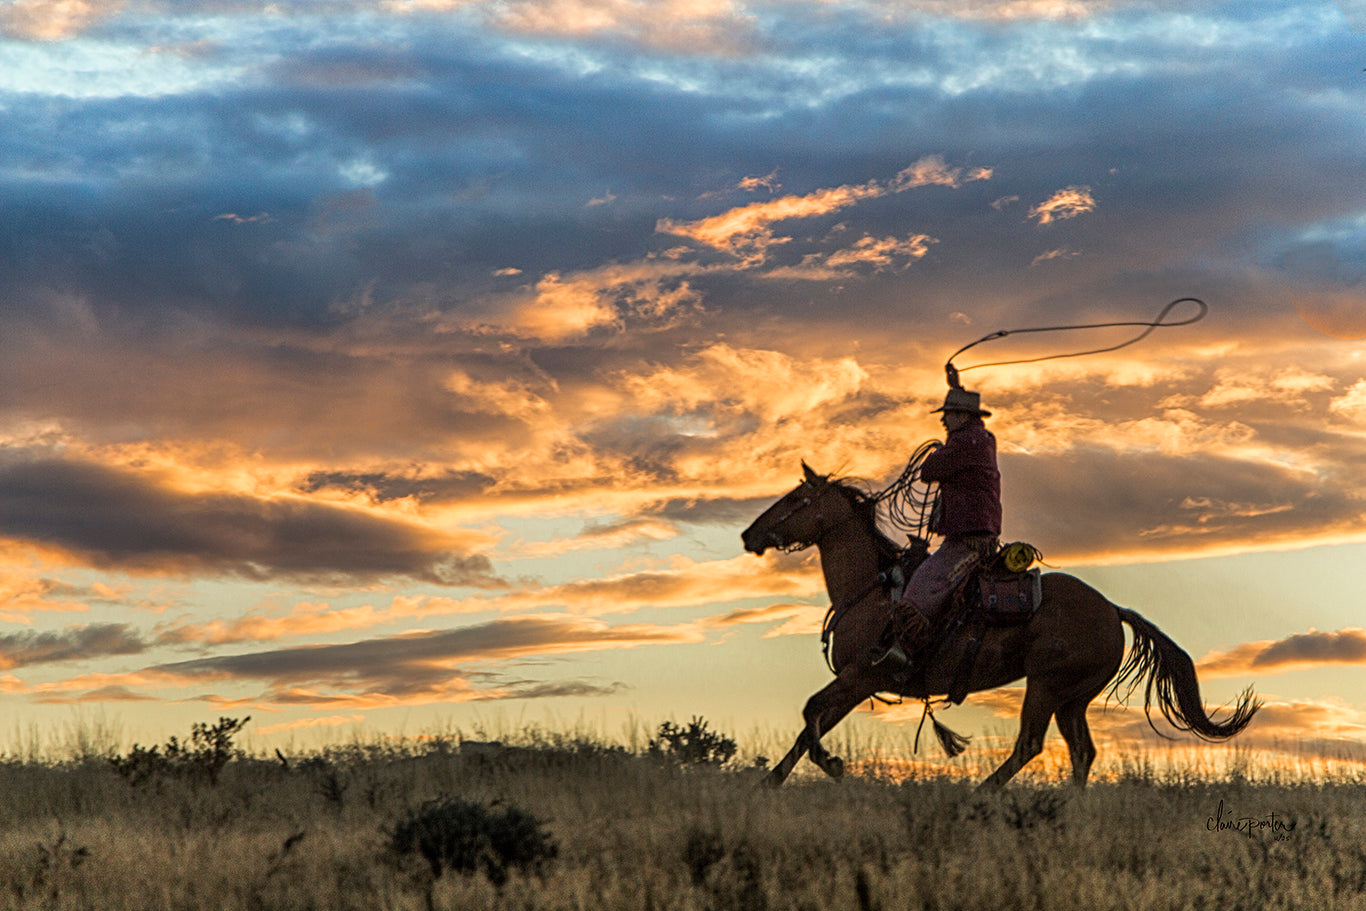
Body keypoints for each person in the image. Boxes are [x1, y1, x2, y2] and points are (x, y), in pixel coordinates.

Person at [872, 385, 1002, 671]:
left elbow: (929, 471)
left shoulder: (965, 442)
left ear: (963, 416)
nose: (943, 420)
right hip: (979, 531)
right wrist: (955, 384)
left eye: (949, 414)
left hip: (967, 539)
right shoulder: (981, 439)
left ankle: (903, 653)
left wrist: (942, 450)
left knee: (920, 589)